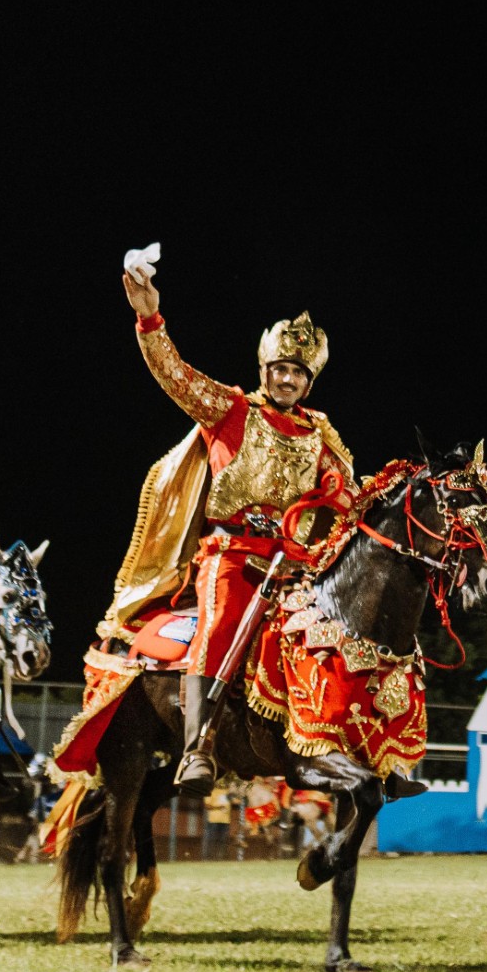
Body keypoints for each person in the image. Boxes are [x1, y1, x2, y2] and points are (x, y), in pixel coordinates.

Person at [113, 261, 353, 798]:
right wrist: (149, 318)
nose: (288, 378)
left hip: (296, 564)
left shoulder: (321, 433)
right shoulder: (231, 408)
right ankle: (198, 745)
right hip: (232, 553)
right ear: (265, 369)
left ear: (309, 380)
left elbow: (348, 497)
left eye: (299, 372)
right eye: (280, 369)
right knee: (221, 625)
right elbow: (172, 372)